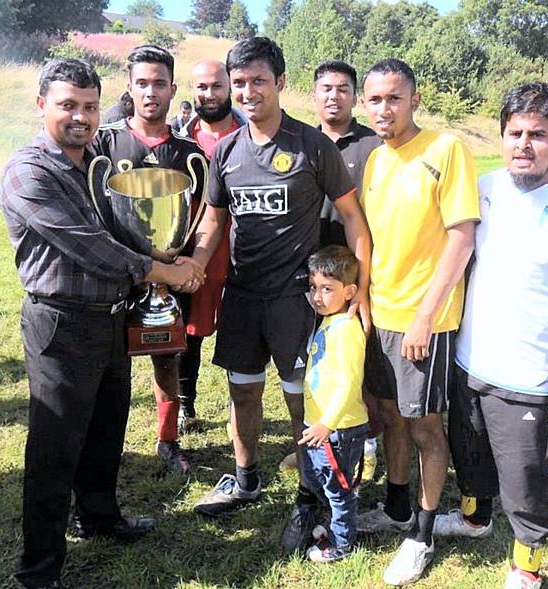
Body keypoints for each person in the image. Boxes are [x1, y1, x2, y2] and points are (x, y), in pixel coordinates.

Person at [0, 58, 203, 589]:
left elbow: (122, 227)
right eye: (68, 105)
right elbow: (89, 247)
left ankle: (100, 517)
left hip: (111, 318)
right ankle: (39, 569)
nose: (81, 117)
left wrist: (170, 254)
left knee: (106, 428)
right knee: (55, 446)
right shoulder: (29, 171)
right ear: (41, 105)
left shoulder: (99, 162)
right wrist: (161, 269)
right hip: (61, 324)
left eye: (90, 106)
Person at [433, 82, 548, 589]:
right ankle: (474, 519)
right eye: (514, 132)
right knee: (468, 452)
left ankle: (526, 568)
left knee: (525, 479)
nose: (523, 143)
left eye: (537, 134)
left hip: (533, 377)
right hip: (470, 360)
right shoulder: (486, 188)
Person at [191, 38, 372, 527]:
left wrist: (362, 288)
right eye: (241, 83)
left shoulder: (311, 146)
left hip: (297, 299)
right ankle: (245, 478)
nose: (248, 92)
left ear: (280, 83)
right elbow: (213, 222)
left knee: (301, 401)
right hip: (243, 298)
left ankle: (309, 494)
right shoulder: (226, 150)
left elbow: (353, 218)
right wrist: (192, 265)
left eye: (259, 82)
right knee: (243, 393)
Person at [358, 58, 480, 586]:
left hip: (421, 321)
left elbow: (462, 237)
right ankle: (397, 506)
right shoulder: (375, 161)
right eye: (376, 99)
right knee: (390, 417)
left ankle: (422, 534)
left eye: (394, 98)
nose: (384, 108)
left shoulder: (446, 149)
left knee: (426, 425)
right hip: (380, 314)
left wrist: (425, 317)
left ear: (414, 100)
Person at [93, 45, 208, 476]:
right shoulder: (104, 142)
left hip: (166, 276)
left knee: (167, 356)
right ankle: (107, 446)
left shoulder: (188, 151)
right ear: (129, 87)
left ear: (173, 88)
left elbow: (205, 212)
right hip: (114, 274)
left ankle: (167, 440)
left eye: (159, 83)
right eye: (141, 83)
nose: (150, 92)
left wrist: (191, 260)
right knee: (111, 366)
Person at [280, 60, 382, 483]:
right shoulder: (300, 143)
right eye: (325, 88)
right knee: (320, 365)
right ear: (312, 94)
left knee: (361, 366)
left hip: (354, 278)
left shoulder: (373, 147)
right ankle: (317, 439)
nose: (333, 96)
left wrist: (363, 286)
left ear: (354, 97)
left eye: (343, 89)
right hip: (311, 282)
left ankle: (366, 445)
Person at [175, 58, 247, 433]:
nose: (209, 94)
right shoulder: (179, 139)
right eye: (201, 87)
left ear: (229, 87)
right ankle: (187, 406)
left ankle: (244, 412)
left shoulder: (252, 134)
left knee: (242, 336)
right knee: (191, 334)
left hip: (244, 254)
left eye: (217, 86)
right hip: (197, 253)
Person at [291, 245, 369, 563]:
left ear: (350, 291)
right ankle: (333, 526)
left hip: (339, 428)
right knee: (326, 482)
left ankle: (341, 543)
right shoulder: (328, 321)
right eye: (313, 288)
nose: (317, 296)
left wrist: (327, 423)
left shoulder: (347, 330)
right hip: (321, 426)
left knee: (339, 489)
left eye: (327, 288)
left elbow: (349, 383)